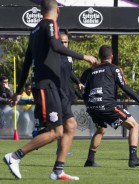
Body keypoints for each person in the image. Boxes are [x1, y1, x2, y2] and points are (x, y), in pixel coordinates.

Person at [4, 0, 96, 180]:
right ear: (57, 11)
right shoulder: (50, 24)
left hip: (56, 87)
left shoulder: (34, 31)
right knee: (56, 132)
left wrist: (17, 91)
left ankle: (58, 170)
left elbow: (26, 64)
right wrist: (84, 56)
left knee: (71, 126)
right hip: (47, 86)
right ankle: (14, 156)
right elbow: (56, 45)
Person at [83, 45, 139, 168]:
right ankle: (133, 158)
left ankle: (90, 160)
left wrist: (90, 106)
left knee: (101, 129)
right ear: (112, 56)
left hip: (92, 106)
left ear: (99, 57)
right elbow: (125, 88)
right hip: (107, 104)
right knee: (134, 125)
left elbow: (85, 92)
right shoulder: (114, 69)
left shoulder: (91, 71)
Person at [55, 33, 84, 156]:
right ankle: (61, 149)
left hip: (67, 91)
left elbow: (70, 72)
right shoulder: (54, 56)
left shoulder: (69, 56)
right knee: (63, 123)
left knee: (65, 123)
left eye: (65, 42)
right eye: (61, 42)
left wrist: (78, 82)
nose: (64, 44)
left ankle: (62, 149)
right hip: (57, 91)